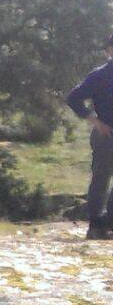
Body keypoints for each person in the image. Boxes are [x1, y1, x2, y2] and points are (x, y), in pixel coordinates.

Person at [66, 34, 113, 239]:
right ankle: (95, 225)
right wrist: (95, 121)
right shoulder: (99, 76)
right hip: (106, 135)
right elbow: (74, 98)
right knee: (101, 178)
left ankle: (110, 221)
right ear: (109, 50)